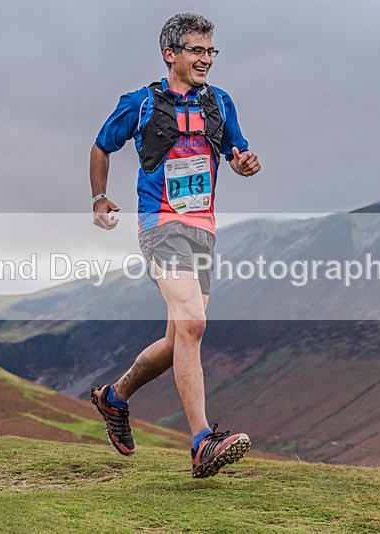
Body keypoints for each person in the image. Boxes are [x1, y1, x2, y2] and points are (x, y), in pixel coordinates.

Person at [89, 12, 261, 478]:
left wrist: (245, 163)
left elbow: (237, 152)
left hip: (202, 229)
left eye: (210, 51)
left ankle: (114, 397)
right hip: (160, 225)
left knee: (177, 338)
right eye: (196, 50)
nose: (205, 59)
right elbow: (102, 146)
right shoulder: (140, 104)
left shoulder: (220, 103)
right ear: (170, 54)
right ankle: (203, 440)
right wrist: (100, 198)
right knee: (193, 322)